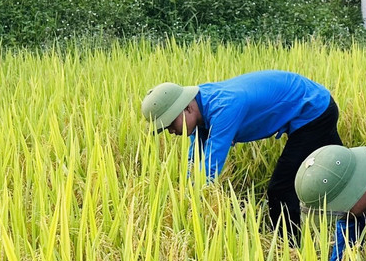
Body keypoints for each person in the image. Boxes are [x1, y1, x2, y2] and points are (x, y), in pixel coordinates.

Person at [140, 70, 340, 237]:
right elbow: (196, 159)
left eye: (170, 124)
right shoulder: (200, 105)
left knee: (281, 188)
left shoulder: (224, 107)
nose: (172, 132)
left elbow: (210, 166)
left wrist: (191, 205)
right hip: (306, 103)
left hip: (314, 110)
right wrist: (183, 192)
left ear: (187, 108)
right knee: (337, 168)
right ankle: (346, 208)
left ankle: (289, 247)